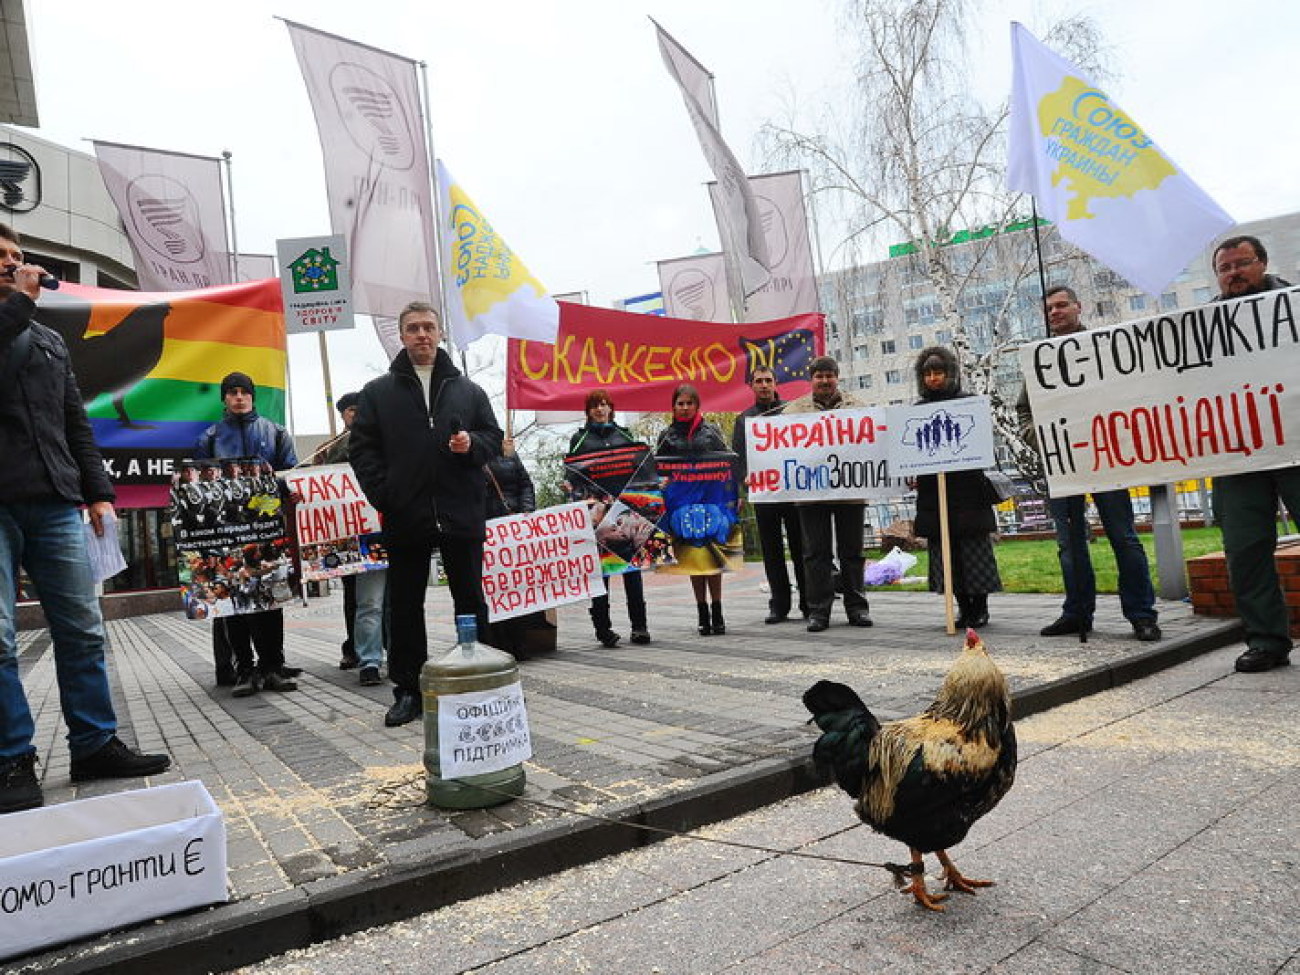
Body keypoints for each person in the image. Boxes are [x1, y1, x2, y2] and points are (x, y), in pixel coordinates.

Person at [0, 223, 170, 813]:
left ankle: (93, 742)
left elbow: (76, 422)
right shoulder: (15, 321)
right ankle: (12, 758)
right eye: (2, 258)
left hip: (53, 501)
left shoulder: (48, 341)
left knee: (81, 626)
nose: (13, 263)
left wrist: (98, 491)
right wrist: (19, 302)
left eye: (18, 256)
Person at [349, 302, 502, 727]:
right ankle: (407, 690)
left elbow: (494, 437)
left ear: (440, 334)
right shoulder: (378, 393)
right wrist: (386, 494)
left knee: (470, 599)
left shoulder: (468, 391)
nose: (422, 334)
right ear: (401, 336)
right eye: (413, 328)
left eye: (429, 327)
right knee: (405, 605)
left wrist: (472, 445)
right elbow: (363, 449)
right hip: (406, 513)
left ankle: (483, 679)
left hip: (460, 510)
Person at [1017, 286, 1161, 642]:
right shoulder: (1039, 358)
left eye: (1062, 305)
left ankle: (1142, 614)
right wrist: (1047, 438)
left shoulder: (1103, 346)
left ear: (1079, 307)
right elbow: (1024, 411)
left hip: (1105, 461)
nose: (1055, 312)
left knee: (1123, 538)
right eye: (1049, 308)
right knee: (1070, 545)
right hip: (1062, 464)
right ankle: (1077, 612)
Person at [1209, 235, 1297, 672]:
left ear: (1263, 263)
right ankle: (1266, 639)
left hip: (1295, 446)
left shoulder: (1293, 308)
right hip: (1237, 453)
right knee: (1244, 548)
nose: (1233, 274)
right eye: (1224, 268)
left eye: (1241, 263)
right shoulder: (1202, 327)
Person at [195, 370, 302, 696]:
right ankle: (245, 670)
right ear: (224, 399)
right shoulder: (209, 438)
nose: (239, 397)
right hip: (228, 535)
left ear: (252, 396)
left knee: (272, 600)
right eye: (232, 392)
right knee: (234, 603)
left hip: (269, 531)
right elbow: (198, 488)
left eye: (244, 392)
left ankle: (273, 666)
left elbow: (291, 476)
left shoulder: (276, 433)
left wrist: (289, 492)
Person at [911, 347, 1002, 628]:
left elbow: (983, 445)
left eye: (938, 372)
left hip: (968, 491)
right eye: (927, 373)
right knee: (946, 554)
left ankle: (981, 607)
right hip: (934, 493)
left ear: (949, 374)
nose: (933, 378)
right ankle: (963, 607)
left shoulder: (968, 404)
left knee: (973, 552)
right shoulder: (917, 412)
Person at [783, 356, 873, 632]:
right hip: (811, 493)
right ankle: (818, 611)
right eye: (819, 376)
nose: (824, 381)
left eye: (829, 375)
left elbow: (873, 443)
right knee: (815, 554)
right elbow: (781, 448)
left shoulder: (858, 407)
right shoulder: (793, 411)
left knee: (853, 552)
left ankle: (857, 608)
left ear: (837, 377)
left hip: (851, 491)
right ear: (811, 380)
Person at [567, 390, 651, 647]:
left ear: (611, 408)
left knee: (632, 572)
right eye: (595, 406)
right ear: (588, 411)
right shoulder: (579, 439)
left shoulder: (624, 435)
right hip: (596, 514)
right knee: (601, 575)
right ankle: (603, 630)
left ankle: (640, 627)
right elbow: (573, 474)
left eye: (604, 405)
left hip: (625, 510)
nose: (600, 409)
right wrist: (571, 489)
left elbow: (640, 468)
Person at [313, 392, 385, 686]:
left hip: (383, 529)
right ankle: (363, 655)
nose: (355, 415)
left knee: (384, 601)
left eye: (360, 409)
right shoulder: (329, 449)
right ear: (342, 415)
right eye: (350, 411)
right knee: (360, 599)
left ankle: (389, 651)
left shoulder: (385, 440)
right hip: (350, 534)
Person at [655, 383, 733, 636]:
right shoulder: (666, 436)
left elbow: (729, 462)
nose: (685, 407)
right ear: (674, 406)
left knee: (712, 558)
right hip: (681, 504)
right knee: (693, 560)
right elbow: (658, 470)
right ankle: (702, 612)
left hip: (711, 499)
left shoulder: (712, 431)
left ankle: (718, 610)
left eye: (690, 403)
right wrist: (661, 484)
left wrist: (731, 493)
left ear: (697, 405)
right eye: (681, 403)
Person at [732, 366, 807, 624]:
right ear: (751, 386)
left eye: (768, 380)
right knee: (772, 552)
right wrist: (744, 478)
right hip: (764, 495)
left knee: (801, 549)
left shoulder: (791, 412)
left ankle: (809, 602)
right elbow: (738, 458)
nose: (763, 385)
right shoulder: (744, 420)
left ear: (776, 383)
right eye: (758, 381)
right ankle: (779, 605)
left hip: (793, 493)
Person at [484, 436, 536, 520]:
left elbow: (525, 484)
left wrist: (527, 509)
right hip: (484, 521)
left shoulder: (509, 453)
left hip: (512, 517)